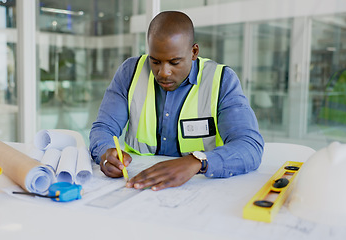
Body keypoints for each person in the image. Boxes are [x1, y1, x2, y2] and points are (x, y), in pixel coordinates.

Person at [89, 11, 264, 191]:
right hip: (136, 184)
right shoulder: (129, 73)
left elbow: (249, 146)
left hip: (202, 188)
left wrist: (198, 162)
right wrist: (106, 152)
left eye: (175, 62)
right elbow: (103, 128)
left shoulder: (222, 80)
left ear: (194, 52)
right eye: (155, 61)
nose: (163, 72)